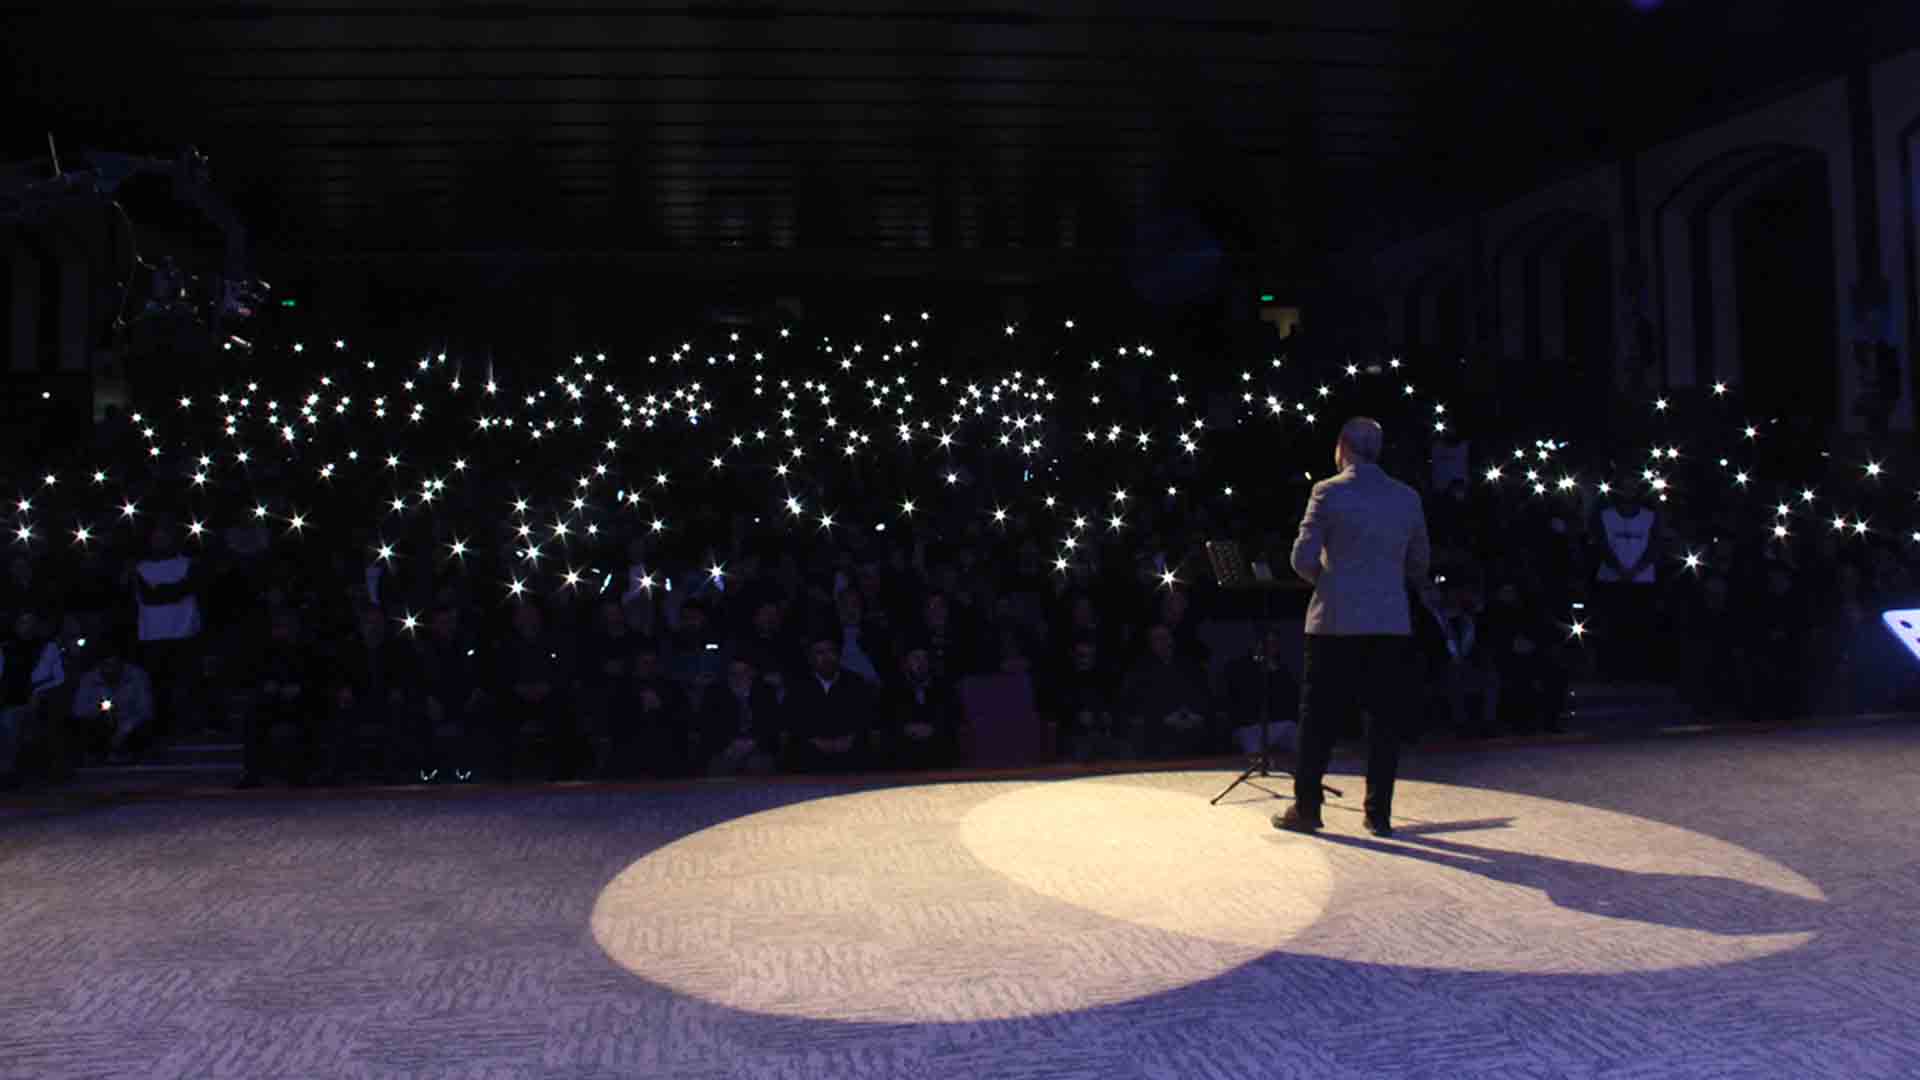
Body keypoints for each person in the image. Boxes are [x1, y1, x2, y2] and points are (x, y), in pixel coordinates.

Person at [1278, 416, 1431, 838]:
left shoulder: (1327, 491)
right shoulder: (1406, 497)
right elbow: (1419, 563)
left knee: (1318, 719)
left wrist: (1330, 581)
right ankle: (1378, 812)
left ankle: (1308, 808)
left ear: (1343, 445)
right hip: (1388, 622)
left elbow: (1301, 558)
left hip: (1334, 622)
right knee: (1384, 721)